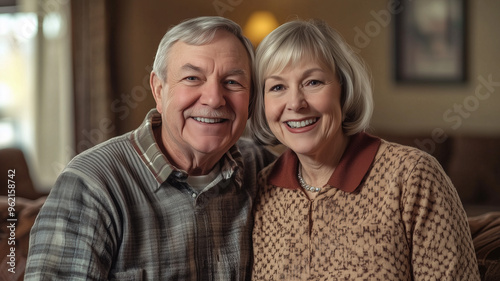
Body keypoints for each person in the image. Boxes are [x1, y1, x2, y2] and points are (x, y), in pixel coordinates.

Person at [24, 16, 275, 280]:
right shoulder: (92, 184)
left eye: (232, 82)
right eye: (192, 78)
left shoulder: (263, 168)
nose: (214, 98)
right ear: (158, 89)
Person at [248, 19, 480, 280]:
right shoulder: (259, 190)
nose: (295, 103)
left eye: (312, 82)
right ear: (262, 104)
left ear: (343, 88)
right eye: (277, 87)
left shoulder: (412, 176)